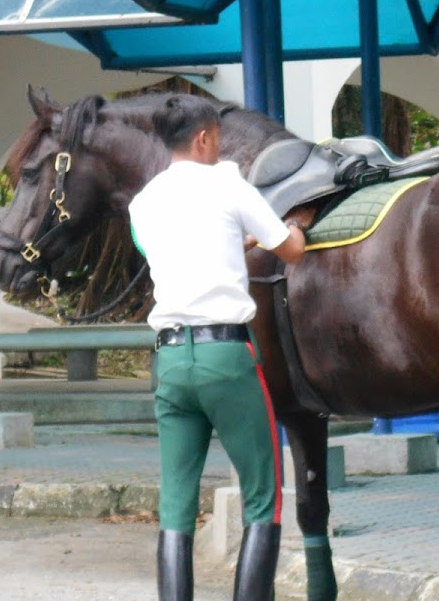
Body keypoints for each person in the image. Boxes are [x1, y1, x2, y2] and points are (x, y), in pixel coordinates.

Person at [129, 95, 306, 601]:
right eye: (217, 138)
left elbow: (174, 252)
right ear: (205, 138)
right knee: (262, 498)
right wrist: (293, 229)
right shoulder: (228, 185)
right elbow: (289, 249)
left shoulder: (143, 203)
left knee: (176, 504)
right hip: (226, 357)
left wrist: (238, 243)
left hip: (170, 364)